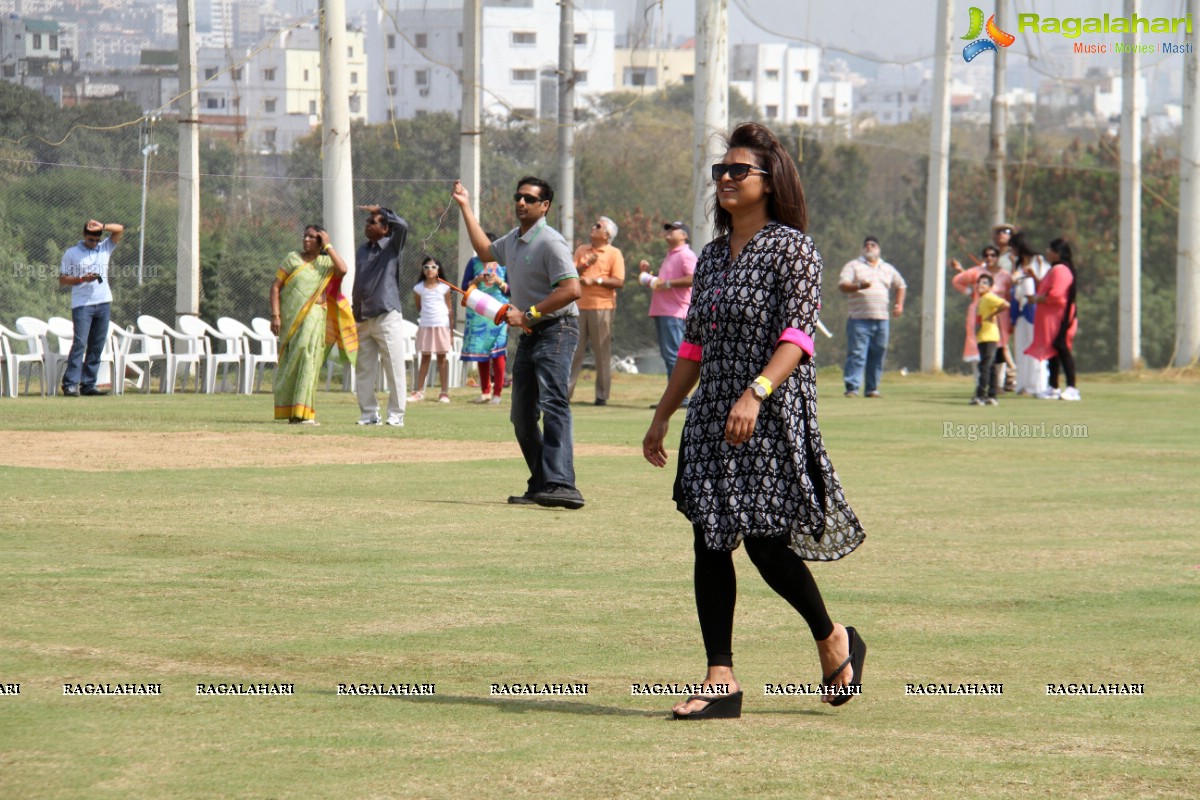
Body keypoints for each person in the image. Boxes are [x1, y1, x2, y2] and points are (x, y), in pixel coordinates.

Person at [642, 122, 867, 720]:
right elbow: (693, 346)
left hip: (768, 410)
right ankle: (721, 679)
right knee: (710, 537)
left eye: (739, 171)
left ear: (769, 183)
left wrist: (757, 392)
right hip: (713, 409)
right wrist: (663, 414)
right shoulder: (711, 258)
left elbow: (797, 335)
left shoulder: (793, 248)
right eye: (720, 172)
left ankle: (832, 638)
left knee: (767, 542)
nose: (726, 180)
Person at [452, 176, 585, 509]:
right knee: (522, 416)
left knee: (554, 403)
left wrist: (529, 314)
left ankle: (562, 484)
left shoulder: (551, 243)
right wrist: (465, 206)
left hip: (558, 328)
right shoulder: (514, 240)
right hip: (531, 332)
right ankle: (542, 482)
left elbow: (572, 290)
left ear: (544, 206)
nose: (521, 203)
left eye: (529, 198)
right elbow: (484, 250)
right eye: (518, 197)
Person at [269, 225, 352, 424]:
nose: (306, 239)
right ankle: (291, 410)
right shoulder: (292, 259)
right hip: (292, 320)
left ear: (320, 241)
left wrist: (329, 245)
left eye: (312, 237)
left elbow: (343, 270)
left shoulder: (325, 262)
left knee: (309, 359)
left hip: (315, 317)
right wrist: (275, 315)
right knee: (294, 361)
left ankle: (303, 413)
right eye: (304, 235)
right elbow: (275, 287)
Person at [353, 204, 410, 427]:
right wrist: (355, 308)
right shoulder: (362, 250)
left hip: (386, 314)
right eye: (367, 222)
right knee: (364, 369)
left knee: (393, 367)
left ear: (386, 229)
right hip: (363, 316)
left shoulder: (392, 246)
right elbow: (359, 281)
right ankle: (368, 414)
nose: (367, 225)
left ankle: (396, 415)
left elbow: (403, 226)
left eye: (372, 222)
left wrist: (383, 210)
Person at [58, 219, 124, 396]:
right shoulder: (71, 253)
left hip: (103, 303)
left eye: (96, 240)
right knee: (80, 343)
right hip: (82, 305)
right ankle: (70, 383)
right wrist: (82, 279)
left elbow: (119, 230)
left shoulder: (104, 248)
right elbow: (62, 279)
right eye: (90, 240)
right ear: (84, 236)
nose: (94, 243)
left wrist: (102, 227)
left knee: (97, 344)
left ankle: (88, 384)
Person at [638, 220, 697, 408]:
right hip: (665, 312)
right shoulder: (671, 255)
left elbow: (693, 278)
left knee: (674, 355)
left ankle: (680, 398)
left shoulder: (686, 254)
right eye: (668, 228)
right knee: (670, 355)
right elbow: (661, 283)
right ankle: (676, 398)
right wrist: (647, 274)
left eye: (675, 229)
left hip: (675, 312)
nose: (670, 231)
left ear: (684, 235)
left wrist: (669, 283)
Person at [568, 215, 626, 406]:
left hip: (603, 307)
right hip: (578, 306)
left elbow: (619, 281)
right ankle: (564, 393)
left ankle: (602, 396)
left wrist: (597, 281)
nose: (593, 227)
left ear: (607, 235)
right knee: (573, 351)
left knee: (602, 352)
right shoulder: (582, 250)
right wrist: (585, 265)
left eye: (598, 226)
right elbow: (570, 274)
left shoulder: (614, 253)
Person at [838, 236, 906, 398]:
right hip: (858, 318)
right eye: (866, 245)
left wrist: (899, 304)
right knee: (857, 353)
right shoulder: (853, 265)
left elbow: (901, 285)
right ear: (863, 249)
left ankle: (872, 388)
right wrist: (859, 286)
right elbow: (843, 285)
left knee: (878, 353)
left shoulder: (887, 268)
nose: (869, 247)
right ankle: (852, 388)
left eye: (873, 245)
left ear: (878, 249)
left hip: (882, 319)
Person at [1026, 238, 1080, 401]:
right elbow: (1045, 288)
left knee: (1062, 349)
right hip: (1051, 317)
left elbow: (1056, 295)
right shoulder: (1053, 269)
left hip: (1060, 318)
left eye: (1050, 250)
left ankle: (1072, 388)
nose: (1047, 252)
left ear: (1058, 253)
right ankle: (1053, 387)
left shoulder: (1060, 270)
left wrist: (1036, 299)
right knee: (1053, 351)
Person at [950, 244, 1013, 370]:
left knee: (1000, 346)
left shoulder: (1005, 275)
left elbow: (1008, 295)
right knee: (978, 344)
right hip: (980, 313)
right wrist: (970, 292)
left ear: (998, 257)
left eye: (993, 255)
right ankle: (980, 381)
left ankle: (998, 382)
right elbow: (957, 281)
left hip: (1000, 315)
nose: (989, 258)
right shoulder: (976, 272)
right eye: (986, 255)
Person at [461, 250, 510, 405]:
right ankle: (485, 392)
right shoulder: (473, 262)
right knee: (482, 352)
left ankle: (498, 394)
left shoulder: (504, 263)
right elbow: (464, 287)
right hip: (479, 313)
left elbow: (512, 289)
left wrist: (498, 281)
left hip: (499, 312)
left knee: (498, 352)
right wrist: (476, 279)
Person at [1008, 231, 1051, 396]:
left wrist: (1032, 275)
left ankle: (1038, 385)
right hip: (1019, 311)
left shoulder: (1038, 261)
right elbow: (1014, 285)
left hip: (1034, 310)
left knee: (1036, 347)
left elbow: (1044, 285)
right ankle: (1023, 385)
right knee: (1021, 348)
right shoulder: (1018, 265)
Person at [409, 256, 456, 403]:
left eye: (433, 267)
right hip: (426, 325)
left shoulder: (445, 288)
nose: (430, 270)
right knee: (425, 357)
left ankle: (444, 392)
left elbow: (449, 310)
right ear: (422, 270)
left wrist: (451, 332)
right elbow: (419, 307)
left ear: (439, 270)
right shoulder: (418, 288)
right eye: (427, 267)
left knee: (442, 358)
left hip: (442, 325)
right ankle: (419, 391)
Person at [969, 273, 1010, 406]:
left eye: (985, 283)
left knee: (985, 366)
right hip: (985, 336)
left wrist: (993, 314)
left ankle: (980, 395)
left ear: (991, 286)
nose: (980, 285)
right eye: (979, 282)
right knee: (990, 366)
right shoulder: (982, 299)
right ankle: (991, 396)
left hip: (988, 336)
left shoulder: (989, 297)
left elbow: (1005, 304)